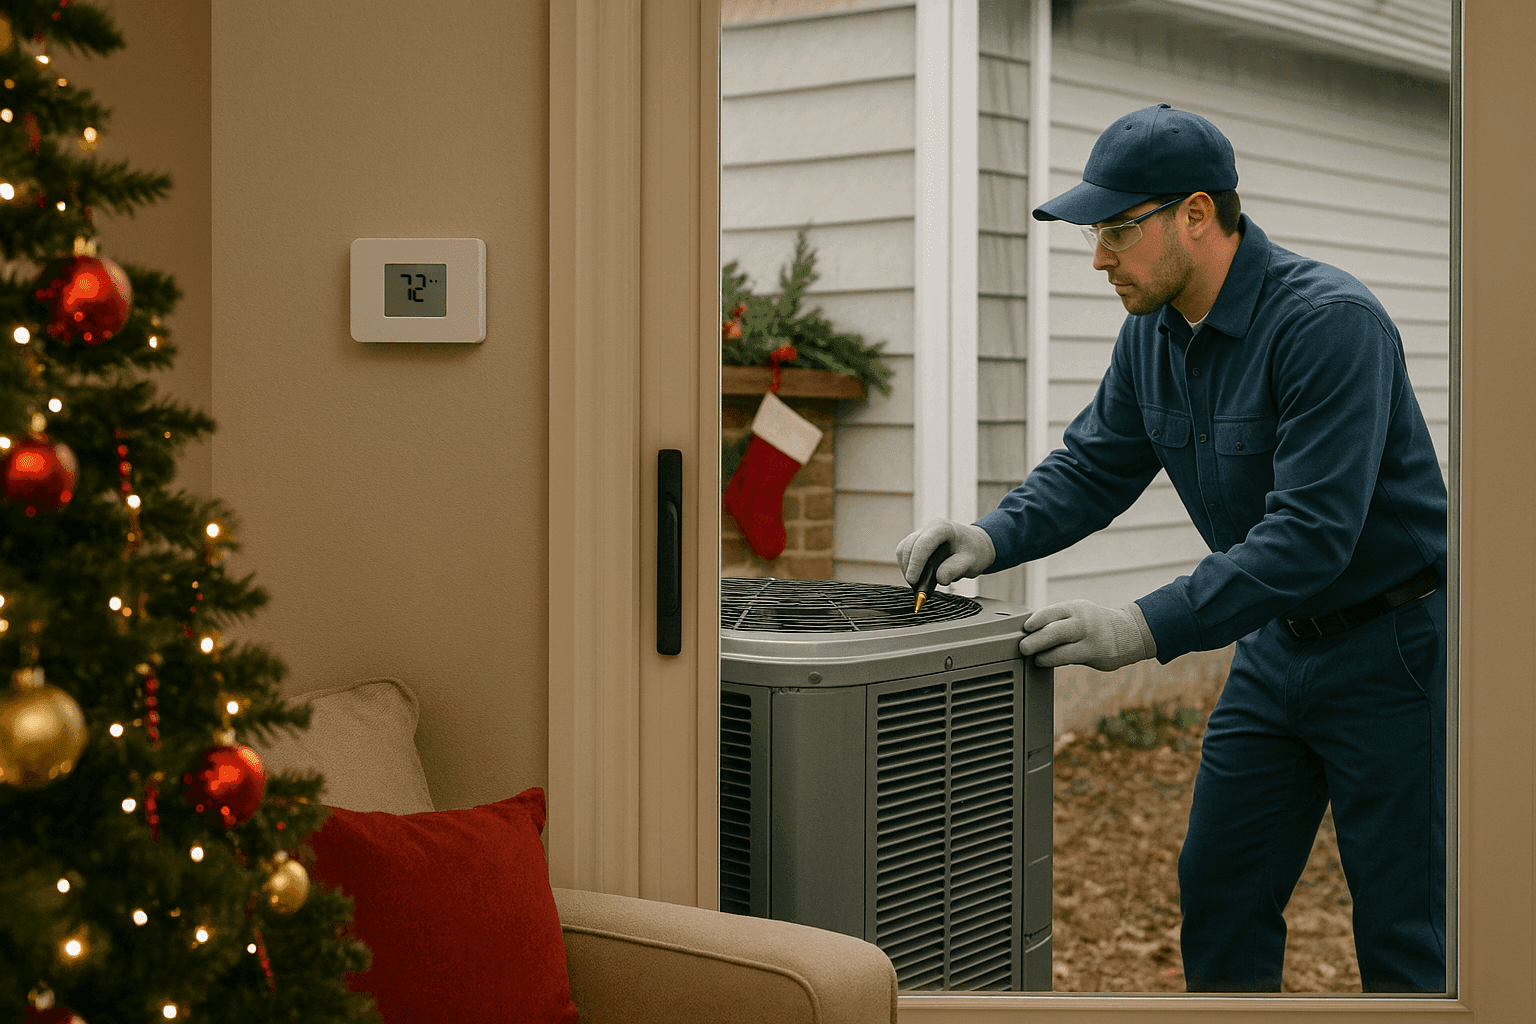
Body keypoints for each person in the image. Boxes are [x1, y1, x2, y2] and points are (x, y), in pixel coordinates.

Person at [897, 103, 1447, 993]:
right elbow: (1093, 466)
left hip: (1396, 652)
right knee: (1221, 888)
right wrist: (991, 536)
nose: (1099, 257)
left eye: (1117, 230)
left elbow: (1310, 536)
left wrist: (1143, 625)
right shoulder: (1151, 335)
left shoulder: (1329, 325)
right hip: (1276, 650)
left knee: (1407, 928)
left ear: (1196, 214)